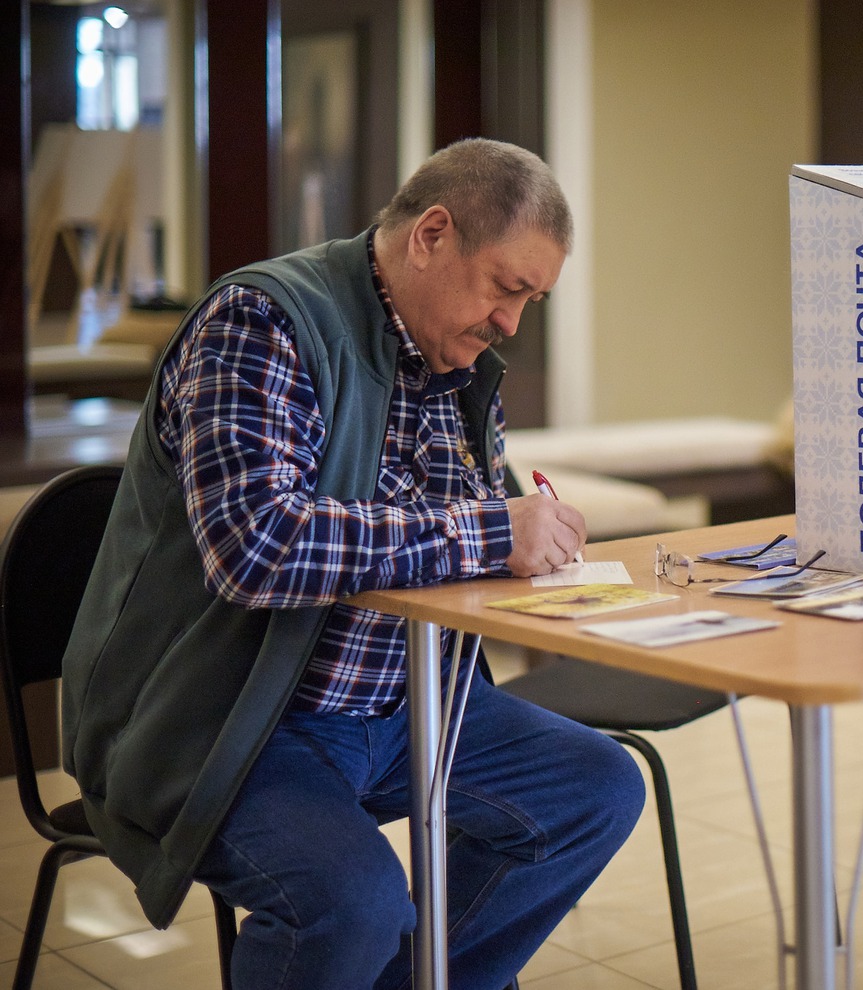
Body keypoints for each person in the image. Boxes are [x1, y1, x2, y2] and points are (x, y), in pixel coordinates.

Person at [60, 139, 646, 990]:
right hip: (237, 717)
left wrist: (537, 549)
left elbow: (477, 534)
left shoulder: (460, 362)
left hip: (405, 704)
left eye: (533, 300)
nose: (512, 323)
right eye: (506, 287)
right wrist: (491, 533)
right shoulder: (260, 323)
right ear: (431, 235)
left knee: (594, 789)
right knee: (355, 904)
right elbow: (258, 547)